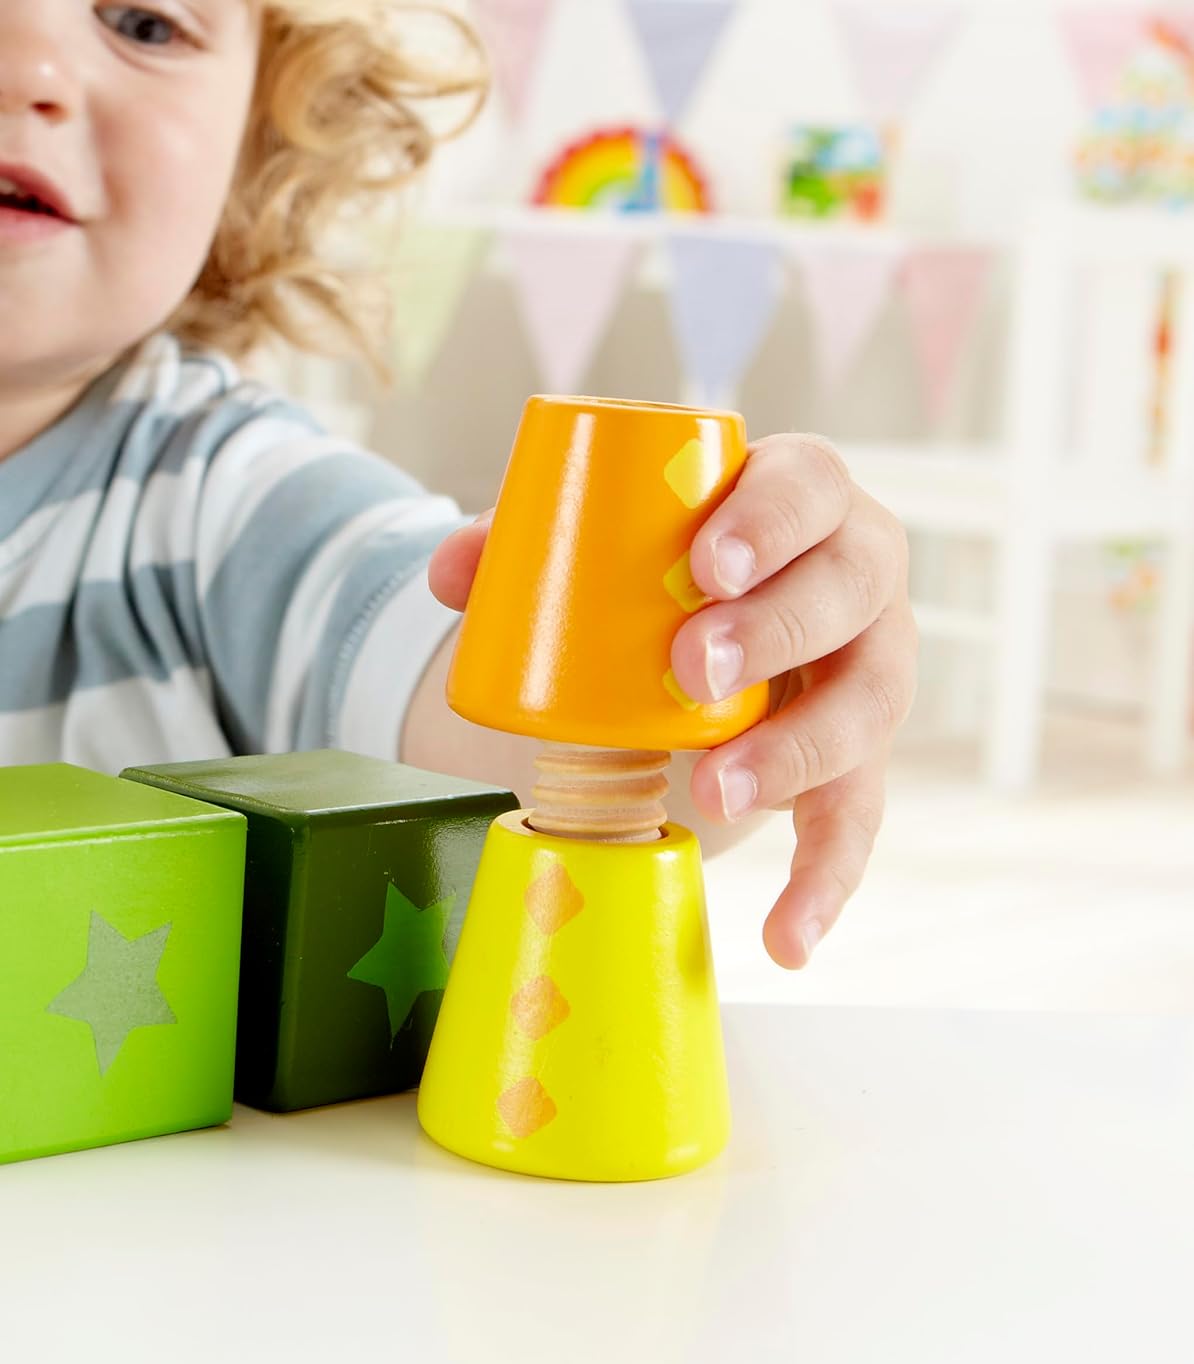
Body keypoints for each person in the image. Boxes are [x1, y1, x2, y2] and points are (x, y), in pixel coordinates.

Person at [0, 0, 917, 971]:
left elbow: (559, 757)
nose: (29, 72)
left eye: (144, 24)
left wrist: (743, 644)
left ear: (260, 137)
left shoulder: (229, 506)